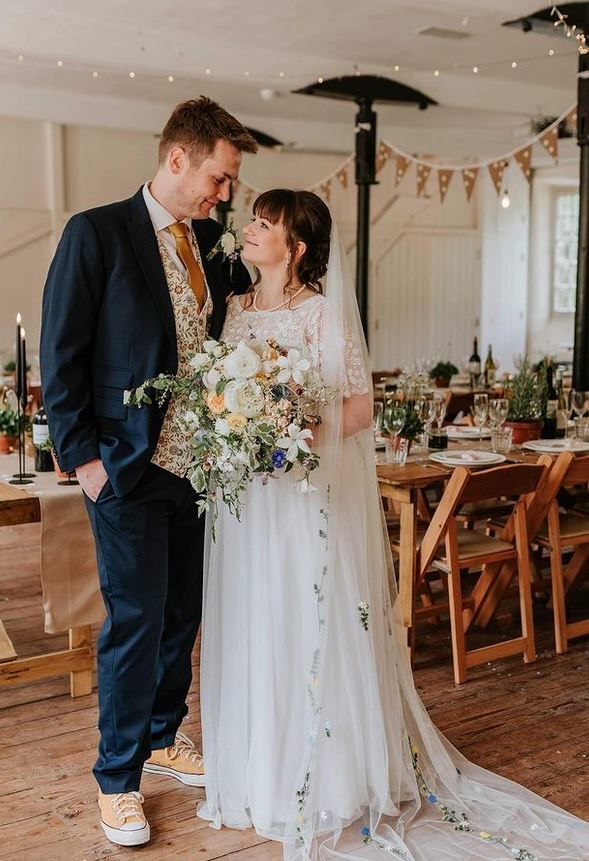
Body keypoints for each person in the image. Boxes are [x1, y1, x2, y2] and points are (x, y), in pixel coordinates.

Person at [198, 188, 589, 860]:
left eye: (267, 223)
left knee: (303, 619)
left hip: (302, 495)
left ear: (295, 248)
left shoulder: (320, 314)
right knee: (254, 618)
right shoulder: (232, 311)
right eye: (253, 220)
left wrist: (292, 431)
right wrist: (237, 433)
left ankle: (325, 781)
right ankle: (257, 774)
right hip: (250, 501)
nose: (252, 230)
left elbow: (358, 408)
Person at [40, 97, 257, 848]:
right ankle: (117, 780)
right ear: (177, 160)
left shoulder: (209, 241)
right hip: (125, 469)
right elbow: (61, 355)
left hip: (198, 469)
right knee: (133, 624)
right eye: (219, 178)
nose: (224, 194)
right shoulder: (95, 233)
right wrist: (85, 461)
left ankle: (164, 735)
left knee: (181, 615)